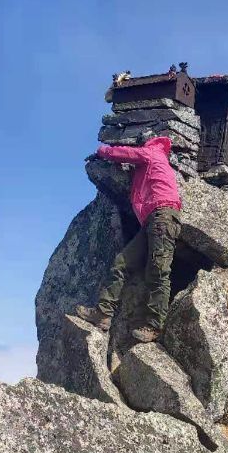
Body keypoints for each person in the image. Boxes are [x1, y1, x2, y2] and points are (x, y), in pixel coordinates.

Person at [77, 133, 182, 342]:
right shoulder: (152, 163)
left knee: (158, 271)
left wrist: (103, 151)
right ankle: (103, 314)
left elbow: (126, 153)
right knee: (122, 263)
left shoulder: (153, 153)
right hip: (153, 220)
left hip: (162, 217)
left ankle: (154, 326)